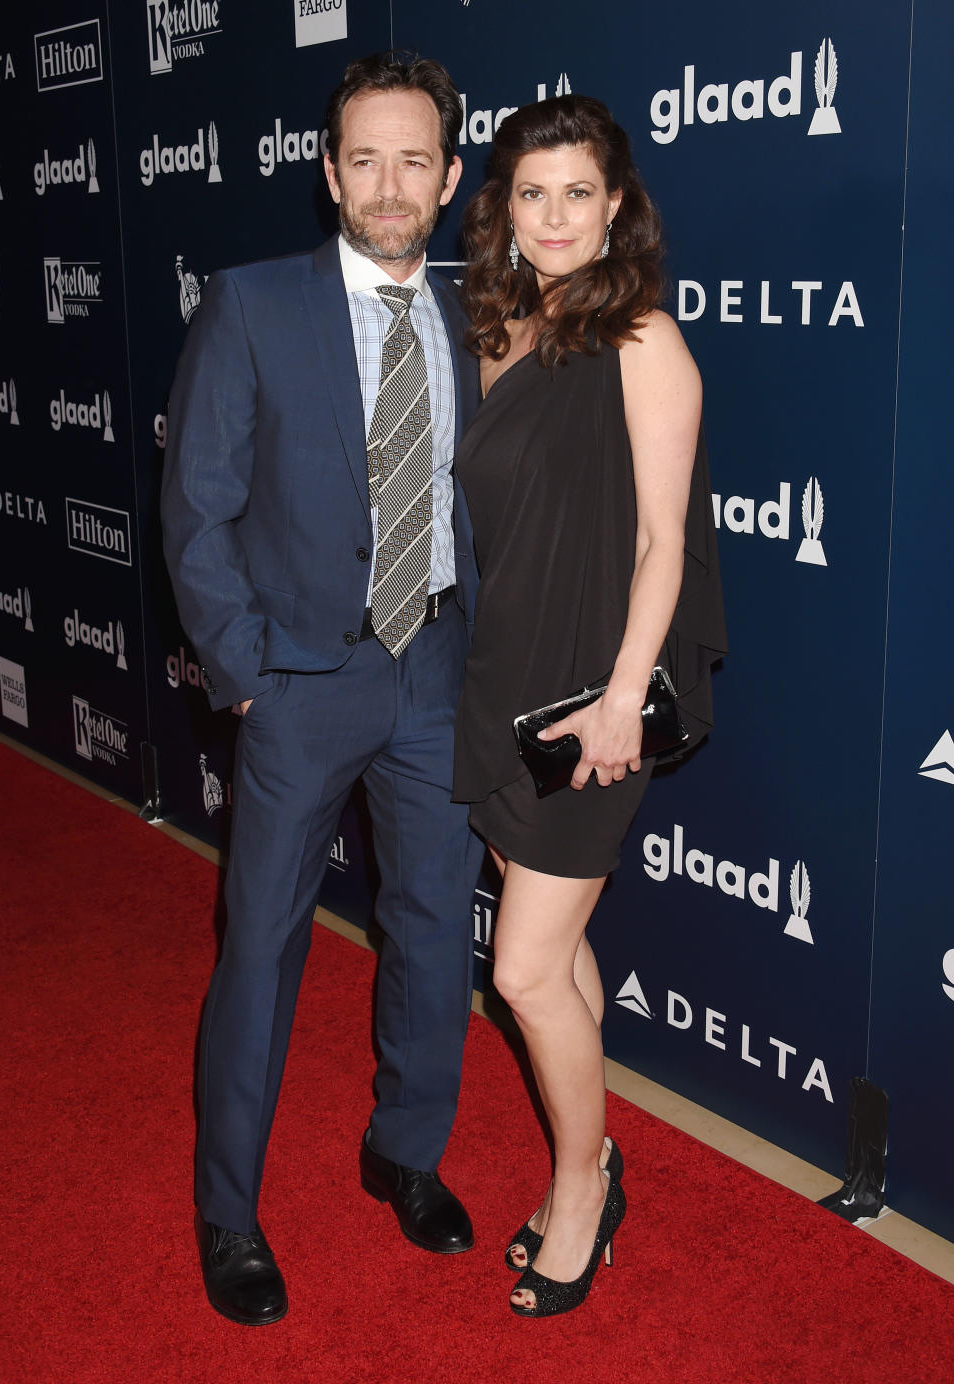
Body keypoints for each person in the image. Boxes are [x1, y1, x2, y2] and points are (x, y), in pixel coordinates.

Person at [161, 52, 485, 1326]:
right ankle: (227, 1208)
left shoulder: (478, 318)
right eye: (367, 159)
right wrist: (244, 675)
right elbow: (195, 512)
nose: (391, 186)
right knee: (261, 949)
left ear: (452, 178)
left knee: (426, 930)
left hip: (439, 671)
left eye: (417, 160)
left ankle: (405, 1148)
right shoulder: (249, 307)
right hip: (300, 680)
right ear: (329, 173)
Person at [452, 94, 727, 1317]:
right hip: (503, 675)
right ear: (502, 209)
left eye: (579, 193)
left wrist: (623, 698)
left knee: (519, 969)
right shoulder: (498, 324)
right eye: (531, 193)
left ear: (617, 206)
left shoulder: (644, 340)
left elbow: (666, 543)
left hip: (587, 696)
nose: (555, 217)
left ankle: (582, 1183)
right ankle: (594, 1155)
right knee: (558, 958)